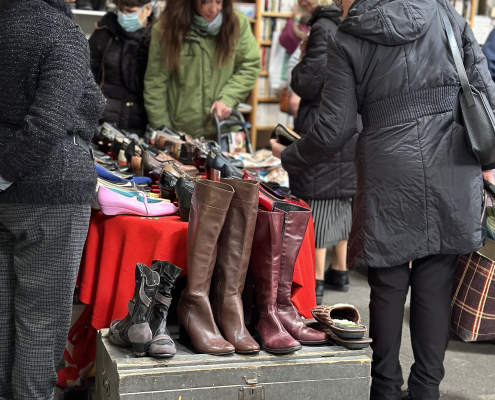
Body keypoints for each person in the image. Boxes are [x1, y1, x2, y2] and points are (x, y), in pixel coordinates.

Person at [272, 0, 495, 399]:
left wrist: (289, 154)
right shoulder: (446, 14)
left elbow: (333, 129)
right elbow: (484, 89)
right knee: (436, 283)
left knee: (387, 284)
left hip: (387, 167)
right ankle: (427, 390)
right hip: (452, 162)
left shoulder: (350, 34)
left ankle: (386, 388)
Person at [0, 0, 104, 398]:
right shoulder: (61, 31)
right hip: (51, 190)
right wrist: (7, 172)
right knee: (41, 323)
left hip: (13, 193)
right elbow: (48, 123)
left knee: (6, 315)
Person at [286, 0, 357, 304]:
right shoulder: (350, 23)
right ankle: (339, 271)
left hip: (322, 124)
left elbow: (308, 83)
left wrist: (299, 65)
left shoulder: (322, 27)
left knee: (315, 207)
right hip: (350, 125)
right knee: (340, 205)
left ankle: (314, 282)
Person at [144, 0, 260, 139]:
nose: (213, 9)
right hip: (182, 135)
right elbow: (155, 84)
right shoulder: (166, 28)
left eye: (218, 2)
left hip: (223, 131)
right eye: (205, 2)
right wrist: (164, 132)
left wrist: (228, 98)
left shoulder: (237, 23)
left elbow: (249, 65)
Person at [89, 0, 154, 136]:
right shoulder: (103, 32)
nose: (124, 16)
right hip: (103, 123)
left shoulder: (157, 39)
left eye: (130, 12)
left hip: (141, 126)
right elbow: (89, 75)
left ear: (147, 9)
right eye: (121, 10)